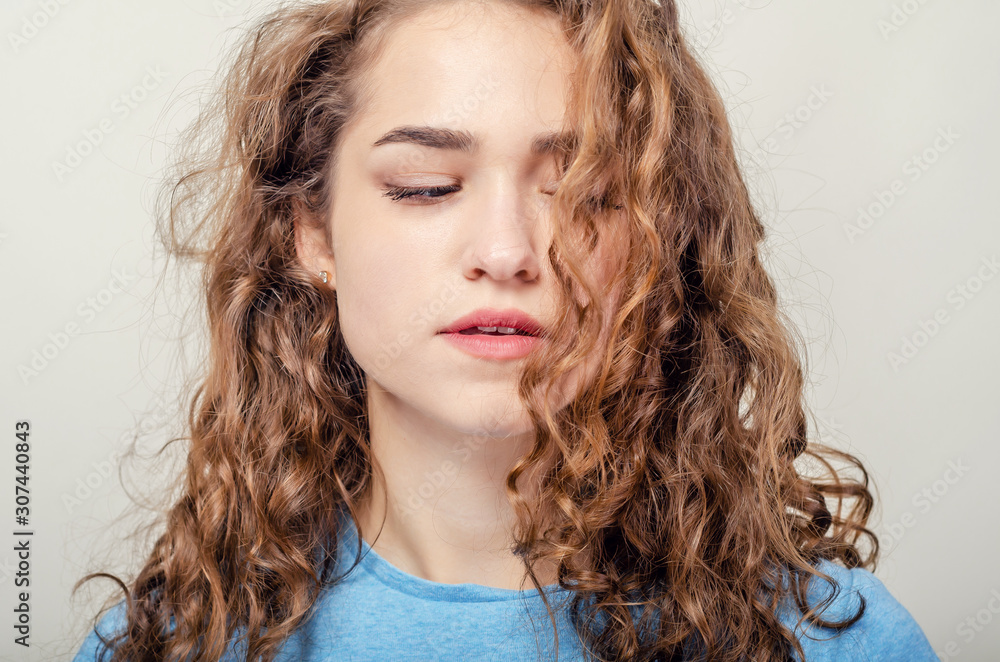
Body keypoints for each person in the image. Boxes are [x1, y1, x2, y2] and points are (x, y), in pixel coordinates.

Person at [71, 0, 939, 660]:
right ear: (312, 233)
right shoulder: (167, 643)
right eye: (423, 185)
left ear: (656, 239)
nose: (508, 252)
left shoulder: (832, 640)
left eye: (587, 193)